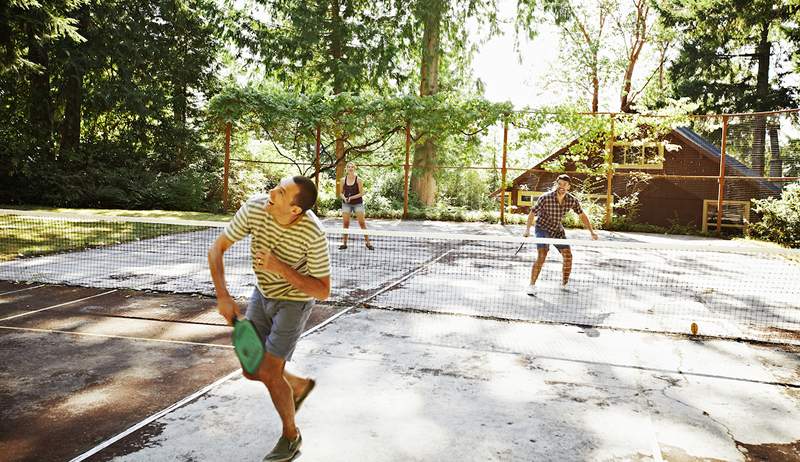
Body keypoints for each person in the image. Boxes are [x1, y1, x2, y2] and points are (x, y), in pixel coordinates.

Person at [208, 175, 330, 462]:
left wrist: (280, 267)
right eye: (276, 185)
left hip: (295, 302)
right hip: (262, 293)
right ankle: (298, 386)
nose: (271, 191)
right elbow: (217, 249)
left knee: (271, 372)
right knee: (252, 370)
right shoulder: (255, 208)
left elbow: (323, 290)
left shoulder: (313, 233)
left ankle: (291, 436)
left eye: (281, 191)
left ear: (295, 210)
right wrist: (223, 296)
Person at [523, 174, 598, 296]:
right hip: (542, 228)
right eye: (560, 183)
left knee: (568, 256)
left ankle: (564, 284)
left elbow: (582, 215)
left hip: (557, 230)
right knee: (542, 255)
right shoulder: (545, 198)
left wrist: (591, 231)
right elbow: (532, 212)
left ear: (569, 186)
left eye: (565, 184)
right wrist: (527, 230)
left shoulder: (572, 200)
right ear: (556, 183)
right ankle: (531, 285)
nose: (562, 186)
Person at [339, 162, 374, 250]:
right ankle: (344, 244)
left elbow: (362, 193)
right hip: (346, 203)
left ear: (355, 168)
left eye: (352, 167)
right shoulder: (343, 180)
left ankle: (368, 243)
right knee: (346, 223)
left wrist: (351, 197)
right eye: (348, 167)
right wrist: (344, 198)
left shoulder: (359, 180)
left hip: (358, 203)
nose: (350, 168)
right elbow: (340, 193)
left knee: (362, 223)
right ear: (346, 169)